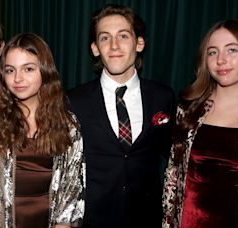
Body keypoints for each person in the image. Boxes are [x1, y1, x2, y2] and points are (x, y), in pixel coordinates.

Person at [68, 4, 176, 228]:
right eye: (105, 38)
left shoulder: (163, 98)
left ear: (139, 43)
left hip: (147, 220)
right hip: (91, 221)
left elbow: (174, 160)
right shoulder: (73, 101)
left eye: (123, 36)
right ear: (95, 48)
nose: (114, 45)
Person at [0, 33, 85, 228]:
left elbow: (70, 200)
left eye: (28, 69)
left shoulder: (67, 125)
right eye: (10, 70)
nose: (18, 78)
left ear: (45, 71)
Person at [162, 19, 238, 227]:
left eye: (232, 50)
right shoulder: (189, 110)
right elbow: (172, 179)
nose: (221, 60)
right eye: (212, 52)